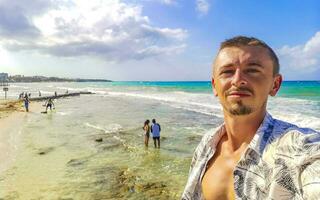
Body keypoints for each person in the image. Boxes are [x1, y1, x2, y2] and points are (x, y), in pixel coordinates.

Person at [182, 36, 320, 200]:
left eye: (252, 70)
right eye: (227, 71)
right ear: (214, 86)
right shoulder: (207, 143)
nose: (238, 80)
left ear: (275, 85)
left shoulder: (298, 148)